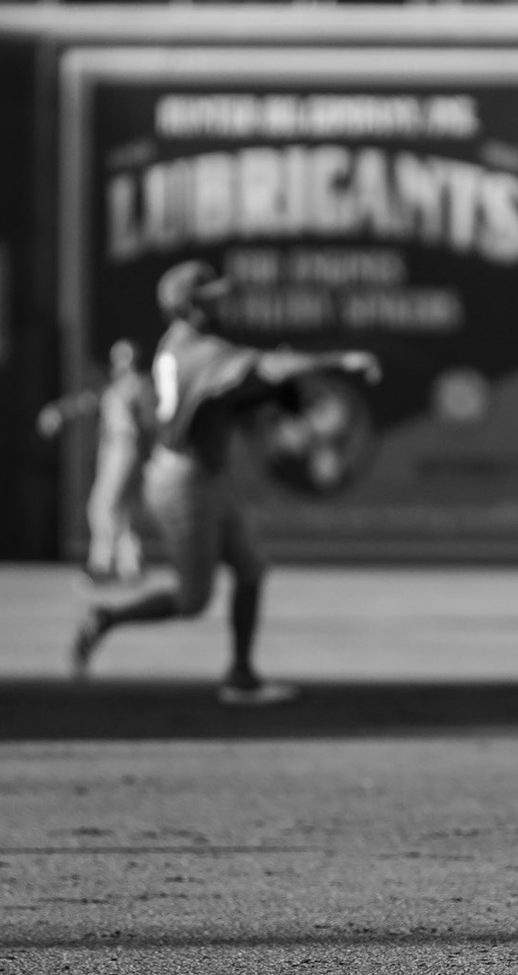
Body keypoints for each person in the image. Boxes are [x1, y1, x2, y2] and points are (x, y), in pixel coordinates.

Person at [69, 259, 382, 707]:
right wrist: (340, 359)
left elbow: (231, 394)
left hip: (203, 475)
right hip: (184, 482)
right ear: (188, 307)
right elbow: (266, 366)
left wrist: (268, 393)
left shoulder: (182, 346)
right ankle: (106, 618)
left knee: (251, 569)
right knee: (192, 600)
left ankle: (241, 675)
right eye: (211, 299)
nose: (222, 304)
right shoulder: (199, 351)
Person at [37, 337, 159, 585]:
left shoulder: (137, 385)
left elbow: (150, 421)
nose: (117, 364)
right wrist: (60, 411)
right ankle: (131, 565)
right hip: (116, 448)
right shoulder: (117, 387)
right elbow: (89, 402)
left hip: (124, 448)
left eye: (122, 359)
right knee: (120, 510)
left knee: (101, 506)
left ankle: (101, 564)